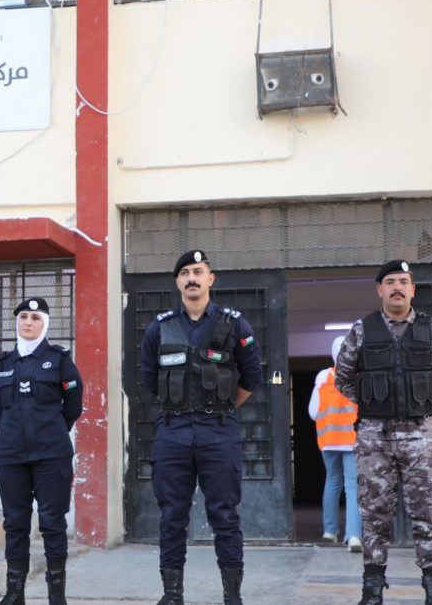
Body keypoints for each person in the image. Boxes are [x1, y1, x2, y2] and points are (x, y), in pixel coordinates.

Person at [334, 260, 432, 605]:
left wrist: (425, 404)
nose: (397, 287)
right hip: (374, 440)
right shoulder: (361, 331)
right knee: (374, 518)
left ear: (412, 289)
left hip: (422, 439)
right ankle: (372, 592)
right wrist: (376, 402)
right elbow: (342, 379)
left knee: (428, 518)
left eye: (403, 282)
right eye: (390, 282)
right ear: (379, 289)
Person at [139, 250, 264, 605]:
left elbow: (252, 377)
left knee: (224, 516)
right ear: (177, 282)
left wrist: (221, 408)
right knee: (172, 517)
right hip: (173, 430)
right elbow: (148, 379)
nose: (191, 278)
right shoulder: (159, 327)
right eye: (185, 273)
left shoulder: (235, 324)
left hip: (217, 431)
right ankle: (172, 595)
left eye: (198, 271)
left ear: (211, 278)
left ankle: (232, 596)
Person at [0, 297, 84, 605]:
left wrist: (51, 430)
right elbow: (0, 409)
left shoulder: (60, 361)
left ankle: (56, 596)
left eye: (35, 318)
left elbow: (72, 407)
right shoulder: (3, 364)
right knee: (15, 524)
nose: (28, 323)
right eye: (23, 317)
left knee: (52, 523)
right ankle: (14, 594)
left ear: (45, 324)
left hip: (51, 455)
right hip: (11, 456)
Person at [307, 335, 362, 552]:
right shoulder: (359, 377)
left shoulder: (323, 377)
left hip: (328, 440)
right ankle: (354, 536)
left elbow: (313, 412)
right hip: (352, 441)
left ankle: (330, 531)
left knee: (332, 482)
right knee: (352, 487)